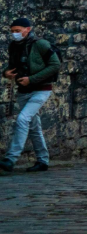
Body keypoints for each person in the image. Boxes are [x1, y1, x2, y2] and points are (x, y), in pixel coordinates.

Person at [2, 17, 59, 174]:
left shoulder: (40, 44)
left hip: (41, 90)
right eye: (12, 31)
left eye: (18, 31)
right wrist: (6, 72)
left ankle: (10, 159)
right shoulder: (14, 46)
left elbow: (55, 65)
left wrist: (32, 79)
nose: (15, 34)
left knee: (22, 119)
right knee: (34, 127)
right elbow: (13, 65)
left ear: (28, 29)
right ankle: (42, 161)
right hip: (23, 91)